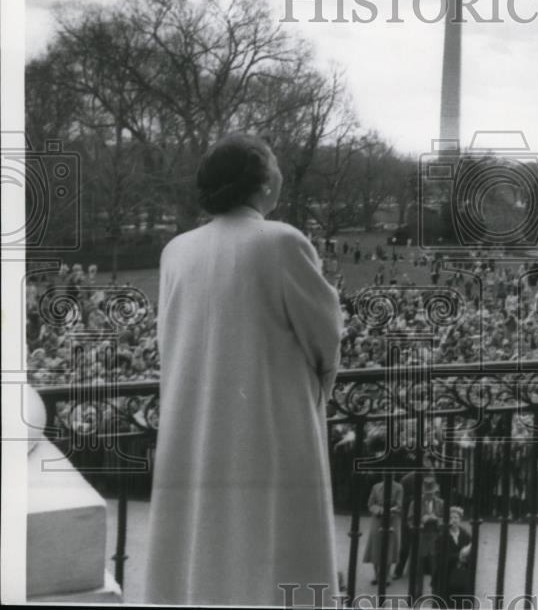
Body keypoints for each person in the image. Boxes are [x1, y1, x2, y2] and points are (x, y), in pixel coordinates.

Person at [145, 133, 344, 606]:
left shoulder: (177, 250)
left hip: (195, 423)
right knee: (276, 547)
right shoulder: (282, 241)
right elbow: (325, 337)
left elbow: (168, 339)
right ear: (261, 183)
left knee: (202, 543)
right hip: (271, 424)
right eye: (273, 163)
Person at [363, 476, 404, 585]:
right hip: (378, 518)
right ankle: (376, 575)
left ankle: (385, 575)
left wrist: (391, 510)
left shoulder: (399, 487)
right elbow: (370, 504)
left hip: (392, 519)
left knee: (389, 547)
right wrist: (380, 510)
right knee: (376, 546)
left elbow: (399, 505)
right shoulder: (376, 487)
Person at [433, 506, 474, 606]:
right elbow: (440, 557)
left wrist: (466, 557)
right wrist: (459, 556)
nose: (454, 520)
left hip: (461, 577)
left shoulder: (466, 535)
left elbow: (472, 556)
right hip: (445, 578)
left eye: (456, 518)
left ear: (460, 519)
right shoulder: (441, 536)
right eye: (451, 518)